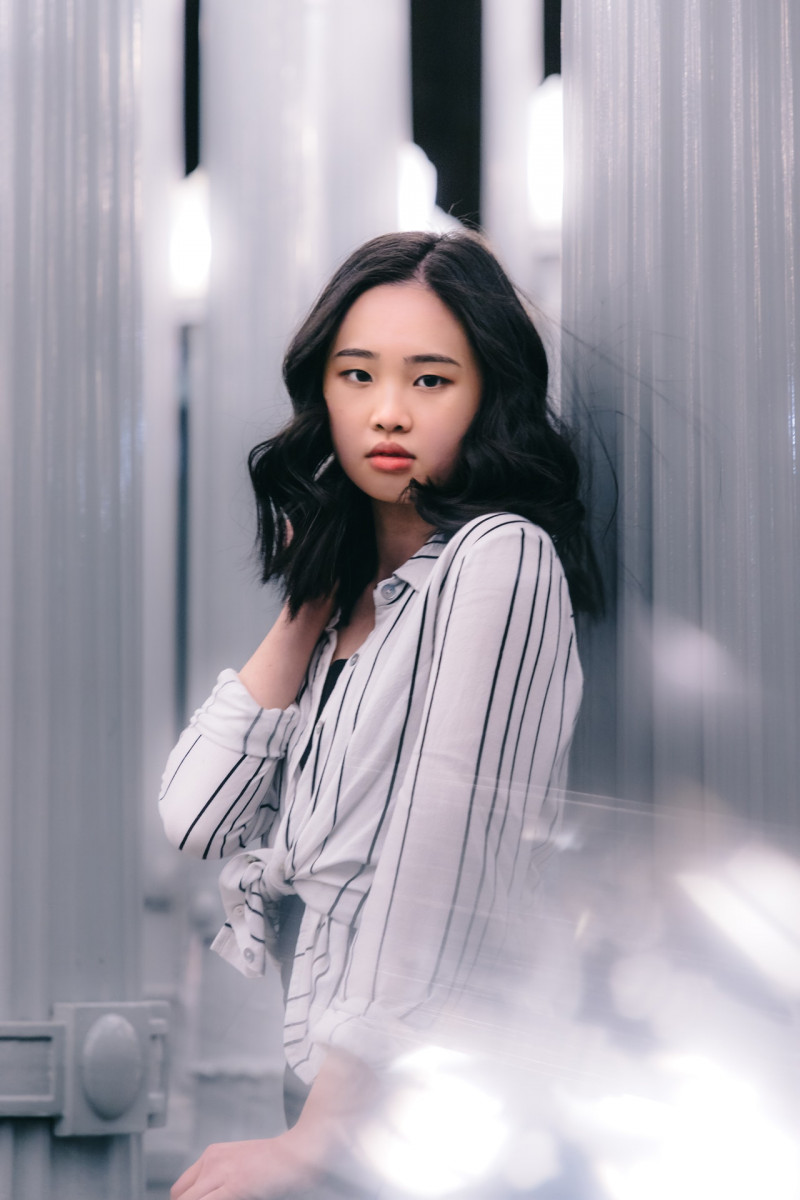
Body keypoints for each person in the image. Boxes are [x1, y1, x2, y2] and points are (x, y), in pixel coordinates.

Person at [160, 230, 600, 1199]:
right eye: (355, 375)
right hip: (341, 1101)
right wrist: (309, 592)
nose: (387, 411)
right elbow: (193, 817)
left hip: (439, 1111)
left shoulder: (500, 559)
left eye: (431, 380)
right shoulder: (346, 609)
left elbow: (433, 869)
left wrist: (316, 1138)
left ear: (488, 395)